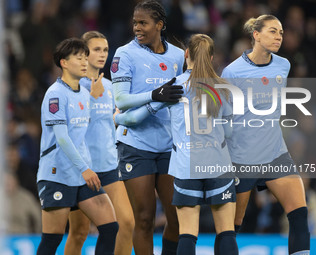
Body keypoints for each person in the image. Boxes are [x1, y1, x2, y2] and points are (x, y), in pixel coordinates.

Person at [115, 33, 238, 255]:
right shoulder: (224, 89)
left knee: (187, 233)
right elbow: (229, 132)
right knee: (226, 232)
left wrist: (117, 118)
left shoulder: (174, 87)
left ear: (186, 54)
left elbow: (133, 119)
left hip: (186, 166)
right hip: (218, 165)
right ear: (211, 58)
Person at [221, 15, 310, 255]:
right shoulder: (232, 72)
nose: (279, 36)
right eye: (273, 31)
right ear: (256, 35)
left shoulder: (283, 65)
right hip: (242, 158)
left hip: (275, 154)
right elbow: (224, 118)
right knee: (231, 227)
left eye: (281, 32)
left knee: (300, 214)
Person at [110, 1, 185, 254]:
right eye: (134, 23)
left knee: (176, 219)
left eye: (143, 23)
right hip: (135, 144)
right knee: (144, 219)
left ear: (159, 25)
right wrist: (155, 94)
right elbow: (120, 100)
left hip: (168, 145)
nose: (137, 28)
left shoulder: (177, 55)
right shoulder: (125, 54)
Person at [36, 38, 118, 255]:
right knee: (52, 240)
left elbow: (83, 123)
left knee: (110, 227)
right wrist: (85, 168)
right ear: (64, 62)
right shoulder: (55, 94)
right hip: (57, 174)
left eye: (85, 57)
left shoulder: (83, 93)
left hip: (80, 176)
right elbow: (62, 138)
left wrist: (96, 99)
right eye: (78, 58)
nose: (84, 62)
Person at [64, 31, 134, 255]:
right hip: (83, 170)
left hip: (110, 167)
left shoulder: (111, 87)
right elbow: (68, 130)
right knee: (79, 232)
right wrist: (90, 97)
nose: (103, 54)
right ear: (84, 53)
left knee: (127, 223)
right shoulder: (73, 87)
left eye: (105, 50)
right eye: (96, 50)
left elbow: (114, 124)